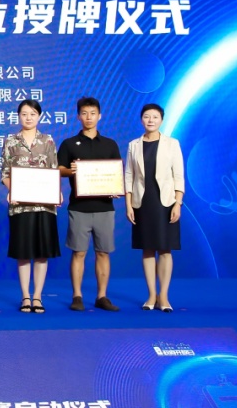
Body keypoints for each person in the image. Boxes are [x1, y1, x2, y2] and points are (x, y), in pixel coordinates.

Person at [57, 97, 122, 313]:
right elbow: (58, 169)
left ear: (99, 116)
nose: (88, 117)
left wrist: (116, 187)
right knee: (79, 253)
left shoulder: (110, 144)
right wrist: (71, 171)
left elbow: (116, 173)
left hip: (105, 207)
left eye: (92, 113)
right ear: (78, 116)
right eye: (84, 113)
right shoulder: (69, 144)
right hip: (79, 207)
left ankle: (102, 296)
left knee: (103, 253)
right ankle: (77, 296)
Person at [1, 98, 61, 314]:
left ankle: (38, 296)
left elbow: (54, 170)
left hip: (44, 205)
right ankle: (25, 295)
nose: (28, 118)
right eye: (24, 114)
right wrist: (14, 190)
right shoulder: (10, 141)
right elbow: (5, 173)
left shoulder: (48, 140)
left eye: (33, 114)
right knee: (23, 252)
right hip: (20, 206)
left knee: (42, 253)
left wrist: (57, 192)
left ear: (39, 116)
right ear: (19, 116)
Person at [125, 103, 185, 312]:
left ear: (161, 120)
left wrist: (178, 203)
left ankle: (164, 296)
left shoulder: (172, 144)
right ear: (141, 119)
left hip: (166, 202)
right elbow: (129, 176)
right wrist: (128, 204)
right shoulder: (133, 145)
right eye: (146, 116)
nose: (150, 120)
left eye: (155, 117)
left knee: (165, 249)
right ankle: (151, 295)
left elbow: (178, 176)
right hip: (142, 202)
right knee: (148, 248)